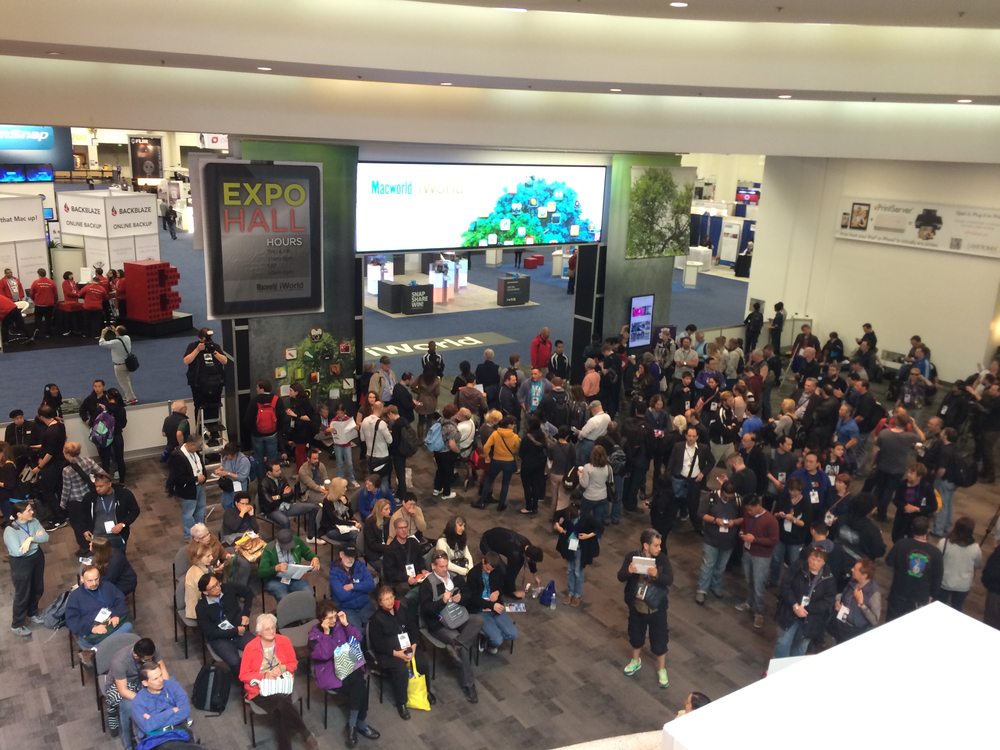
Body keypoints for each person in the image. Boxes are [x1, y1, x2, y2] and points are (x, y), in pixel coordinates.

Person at [240, 613, 320, 750]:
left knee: (282, 708)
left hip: (281, 684)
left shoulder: (284, 641)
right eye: (267, 629)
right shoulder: (250, 648)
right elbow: (243, 675)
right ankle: (305, 733)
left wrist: (282, 668)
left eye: (273, 627)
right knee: (282, 704)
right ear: (259, 632)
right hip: (260, 689)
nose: (272, 631)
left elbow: (293, 663)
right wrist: (265, 675)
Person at [309, 600, 379, 746]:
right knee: (360, 687)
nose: (334, 620)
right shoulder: (314, 635)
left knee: (358, 683)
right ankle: (360, 724)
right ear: (322, 619)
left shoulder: (341, 624)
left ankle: (353, 725)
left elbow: (358, 638)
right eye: (329, 618)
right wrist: (327, 634)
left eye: (335, 616)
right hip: (330, 671)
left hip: (348, 664)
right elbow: (324, 655)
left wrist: (346, 624)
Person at [419, 551, 484, 703]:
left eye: (446, 565)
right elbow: (426, 610)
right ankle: (469, 685)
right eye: (441, 566)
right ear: (434, 566)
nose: (445, 569)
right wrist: (442, 601)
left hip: (458, 616)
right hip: (439, 624)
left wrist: (461, 598)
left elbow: (469, 594)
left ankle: (458, 645)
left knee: (479, 620)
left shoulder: (455, 577)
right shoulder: (427, 585)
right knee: (462, 646)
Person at [369, 585, 435, 720]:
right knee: (401, 670)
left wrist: (415, 645)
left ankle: (426, 690)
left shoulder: (402, 610)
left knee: (422, 663)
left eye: (391, 597)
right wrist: (397, 653)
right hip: (390, 653)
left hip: (408, 647)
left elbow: (413, 628)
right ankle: (402, 703)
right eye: (386, 599)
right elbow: (378, 644)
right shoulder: (376, 619)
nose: (390, 601)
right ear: (380, 603)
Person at [619, 529, 673, 688]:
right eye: (656, 545)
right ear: (646, 545)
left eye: (660, 545)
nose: (659, 548)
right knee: (635, 634)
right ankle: (635, 660)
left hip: (657, 607)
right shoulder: (632, 557)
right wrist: (628, 571)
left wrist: (657, 575)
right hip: (637, 605)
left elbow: (669, 579)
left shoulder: (662, 559)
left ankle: (662, 669)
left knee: (659, 638)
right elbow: (620, 576)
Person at [772, 546, 836, 658]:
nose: (815, 563)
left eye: (819, 561)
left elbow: (828, 601)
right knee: (782, 643)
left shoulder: (828, 578)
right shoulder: (797, 567)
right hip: (789, 613)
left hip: (810, 619)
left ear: (823, 563)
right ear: (808, 558)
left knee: (801, 647)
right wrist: (795, 605)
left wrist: (806, 609)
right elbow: (785, 586)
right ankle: (777, 669)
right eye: (812, 559)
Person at [105, 638, 169, 749]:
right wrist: (147, 699)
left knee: (172, 680)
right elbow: (123, 691)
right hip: (121, 684)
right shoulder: (120, 662)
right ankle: (128, 743)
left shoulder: (152, 649)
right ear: (136, 656)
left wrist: (164, 688)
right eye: (146, 661)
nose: (150, 662)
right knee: (128, 706)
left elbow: (163, 671)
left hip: (142, 679)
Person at [132, 662, 209, 750]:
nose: (161, 680)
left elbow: (185, 711)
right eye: (155, 678)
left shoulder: (173, 686)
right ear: (145, 683)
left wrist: (154, 719)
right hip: (156, 737)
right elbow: (147, 727)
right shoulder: (138, 701)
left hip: (179, 730)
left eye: (160, 675)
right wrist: (172, 711)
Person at [885, 515, 943, 621]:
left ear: (912, 529)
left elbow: (889, 561)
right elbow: (938, 577)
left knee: (891, 624)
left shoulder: (901, 544)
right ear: (928, 531)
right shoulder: (936, 553)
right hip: (920, 597)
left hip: (899, 592)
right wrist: (931, 596)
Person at [195, 573, 254, 676]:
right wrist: (234, 631)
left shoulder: (228, 588)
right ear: (205, 592)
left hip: (238, 629)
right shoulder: (201, 608)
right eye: (212, 588)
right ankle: (246, 683)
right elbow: (210, 633)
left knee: (258, 647)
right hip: (220, 638)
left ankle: (260, 676)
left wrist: (246, 614)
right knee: (235, 661)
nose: (217, 588)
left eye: (217, 584)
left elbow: (248, 592)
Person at [5, 501, 49, 636]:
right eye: (28, 511)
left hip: (37, 558)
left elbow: (46, 537)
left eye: (31, 509)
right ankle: (17, 624)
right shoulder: (10, 530)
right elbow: (18, 552)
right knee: (23, 593)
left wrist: (29, 540)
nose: (32, 512)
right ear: (19, 514)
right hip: (21, 563)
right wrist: (36, 539)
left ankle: (32, 613)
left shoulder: (34, 521)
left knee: (37, 588)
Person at [695, 481, 743, 604]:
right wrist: (715, 520)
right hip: (711, 539)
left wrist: (735, 522)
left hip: (729, 542)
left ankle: (715, 586)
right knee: (707, 565)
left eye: (729, 497)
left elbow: (744, 517)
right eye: (725, 496)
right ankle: (702, 590)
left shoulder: (738, 500)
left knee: (721, 566)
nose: (727, 499)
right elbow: (701, 514)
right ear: (721, 491)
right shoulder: (710, 497)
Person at [869, 412, 923, 521]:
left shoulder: (884, 433)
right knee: (889, 492)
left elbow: (876, 449)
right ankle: (881, 513)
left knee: (878, 489)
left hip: (882, 466)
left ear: (896, 421)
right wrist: (914, 424)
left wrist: (873, 462)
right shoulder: (908, 436)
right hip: (898, 469)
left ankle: (872, 508)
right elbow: (922, 437)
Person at [66, 563, 133, 650]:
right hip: (91, 632)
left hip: (110, 624)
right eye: (90, 581)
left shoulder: (107, 586)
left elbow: (119, 600)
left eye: (96, 579)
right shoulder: (75, 597)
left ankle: (99, 648)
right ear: (82, 579)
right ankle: (106, 647)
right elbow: (72, 621)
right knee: (126, 632)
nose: (94, 583)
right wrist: (93, 628)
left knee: (128, 626)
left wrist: (116, 615)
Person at [735, 495, 778, 629]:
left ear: (758, 506)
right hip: (747, 553)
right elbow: (743, 526)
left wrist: (755, 540)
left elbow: (774, 541)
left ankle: (759, 612)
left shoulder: (771, 520)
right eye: (747, 510)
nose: (748, 513)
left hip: (762, 557)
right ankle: (749, 602)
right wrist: (742, 533)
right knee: (749, 581)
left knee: (759, 584)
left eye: (750, 510)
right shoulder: (748, 515)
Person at [466, 551, 520, 650]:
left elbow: (501, 585)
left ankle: (488, 637)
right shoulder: (473, 574)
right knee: (497, 640)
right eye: (487, 569)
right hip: (480, 609)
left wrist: (498, 592)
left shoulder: (497, 571)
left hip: (495, 607)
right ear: (483, 561)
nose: (489, 572)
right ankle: (489, 640)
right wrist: (490, 605)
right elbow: (472, 598)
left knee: (513, 634)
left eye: (491, 570)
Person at [81, 469, 140, 553]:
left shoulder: (124, 495)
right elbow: (83, 514)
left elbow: (135, 511)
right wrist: (85, 529)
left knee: (118, 558)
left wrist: (122, 524)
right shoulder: (90, 497)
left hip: (117, 536)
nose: (97, 489)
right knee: (100, 560)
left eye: (101, 486)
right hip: (97, 536)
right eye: (96, 486)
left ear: (109, 484)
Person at [666, 426, 713, 532]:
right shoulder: (678, 446)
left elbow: (711, 461)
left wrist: (703, 473)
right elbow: (671, 463)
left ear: (697, 437)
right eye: (689, 436)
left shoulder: (703, 448)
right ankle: (670, 524)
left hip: (694, 481)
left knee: (694, 505)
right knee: (675, 502)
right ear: (685, 436)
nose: (691, 438)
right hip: (679, 478)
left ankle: (698, 526)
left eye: (693, 436)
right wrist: (668, 478)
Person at [257, 460, 319, 537]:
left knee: (314, 507)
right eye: (277, 471)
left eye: (280, 469)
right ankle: (284, 543)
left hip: (286, 505)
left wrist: (278, 497)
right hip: (272, 510)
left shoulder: (282, 478)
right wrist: (282, 496)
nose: (280, 472)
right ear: (269, 472)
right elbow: (270, 503)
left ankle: (311, 537)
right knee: (285, 521)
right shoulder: (263, 484)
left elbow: (291, 494)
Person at [769, 476, 812, 586]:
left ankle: (791, 584)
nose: (791, 493)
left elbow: (805, 524)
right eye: (790, 489)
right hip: (781, 536)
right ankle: (773, 580)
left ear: (800, 490)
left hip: (796, 539)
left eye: (794, 491)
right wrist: (779, 515)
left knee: (794, 563)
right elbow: (774, 514)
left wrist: (793, 519)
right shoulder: (784, 498)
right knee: (776, 560)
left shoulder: (806, 504)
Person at [554, 506, 600, 607]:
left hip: (581, 548)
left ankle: (578, 594)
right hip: (569, 546)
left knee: (578, 571)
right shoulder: (567, 512)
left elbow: (599, 528)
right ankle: (570, 593)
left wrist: (588, 535)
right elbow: (556, 514)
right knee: (570, 570)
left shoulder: (586, 517)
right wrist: (558, 525)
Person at [479, 527, 543, 599]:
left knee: (514, 565)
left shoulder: (528, 545)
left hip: (493, 534)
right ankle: (503, 587)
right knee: (503, 570)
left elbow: (532, 561)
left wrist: (535, 577)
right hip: (486, 543)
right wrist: (513, 591)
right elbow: (511, 574)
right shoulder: (515, 554)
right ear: (527, 558)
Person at [258, 529, 320, 602]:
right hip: (277, 580)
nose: (288, 548)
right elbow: (261, 572)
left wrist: (315, 557)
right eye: (285, 546)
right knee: (285, 599)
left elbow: (307, 553)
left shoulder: (296, 540)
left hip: (296, 576)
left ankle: (304, 612)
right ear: (277, 542)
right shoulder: (269, 549)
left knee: (309, 594)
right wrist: (275, 568)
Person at [936, 516, 983, 612]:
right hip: (963, 585)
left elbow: (936, 560)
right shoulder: (975, 548)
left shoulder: (943, 543)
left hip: (944, 581)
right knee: (957, 609)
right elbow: (978, 565)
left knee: (938, 608)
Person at [828, 559, 881, 643]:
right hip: (841, 625)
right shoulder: (853, 581)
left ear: (864, 575)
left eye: (855, 569)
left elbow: (874, 620)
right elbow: (843, 596)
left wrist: (861, 604)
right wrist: (838, 601)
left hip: (854, 632)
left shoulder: (873, 594)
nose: (852, 569)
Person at [474, 415, 520, 510]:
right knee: (505, 483)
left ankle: (482, 502)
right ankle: (501, 504)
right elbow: (516, 448)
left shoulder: (495, 434)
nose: (514, 426)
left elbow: (486, 447)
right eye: (513, 424)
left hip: (496, 461)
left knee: (489, 480)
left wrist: (487, 456)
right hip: (509, 462)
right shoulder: (515, 437)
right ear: (509, 425)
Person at [182, 328, 228, 422]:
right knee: (199, 406)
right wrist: (197, 350)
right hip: (198, 384)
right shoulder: (193, 346)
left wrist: (214, 352)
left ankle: (215, 429)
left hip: (215, 383)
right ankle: (200, 430)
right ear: (200, 338)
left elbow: (224, 360)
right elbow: (186, 361)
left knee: (215, 406)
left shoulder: (214, 346)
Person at [166, 435, 206, 540]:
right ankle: (190, 535)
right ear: (191, 444)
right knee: (188, 513)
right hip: (188, 489)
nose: (199, 449)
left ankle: (200, 532)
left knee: (200, 509)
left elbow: (200, 465)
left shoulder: (194, 452)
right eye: (198, 446)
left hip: (199, 486)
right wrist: (196, 479)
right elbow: (178, 478)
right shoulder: (178, 457)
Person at [329, 545, 376, 630]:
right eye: (347, 556)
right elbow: (342, 595)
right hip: (346, 609)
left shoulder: (360, 566)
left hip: (365, 605)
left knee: (376, 628)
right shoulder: (334, 572)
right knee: (357, 633)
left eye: (352, 556)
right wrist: (362, 590)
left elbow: (371, 584)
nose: (350, 559)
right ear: (341, 555)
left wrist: (353, 586)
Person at [890, 463, 937, 542]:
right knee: (896, 538)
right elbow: (896, 499)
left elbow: (933, 506)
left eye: (912, 473)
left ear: (919, 476)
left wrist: (918, 509)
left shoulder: (927, 487)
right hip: (902, 518)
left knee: (912, 541)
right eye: (908, 472)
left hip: (916, 520)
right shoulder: (903, 484)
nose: (908, 475)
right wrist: (904, 506)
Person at [382, 517, 429, 597]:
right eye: (401, 528)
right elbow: (391, 573)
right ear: (396, 530)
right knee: (407, 590)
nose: (404, 530)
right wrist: (406, 578)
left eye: (405, 527)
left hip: (416, 575)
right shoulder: (390, 549)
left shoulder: (413, 543)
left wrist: (423, 569)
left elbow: (420, 559)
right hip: (400, 580)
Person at [245, 380, 284, 471]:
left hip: (257, 435)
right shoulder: (277, 400)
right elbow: (282, 418)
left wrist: (253, 430)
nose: (256, 389)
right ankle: (272, 479)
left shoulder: (255, 401)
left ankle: (262, 481)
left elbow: (247, 419)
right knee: (272, 458)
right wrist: (277, 429)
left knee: (259, 458)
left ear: (262, 389)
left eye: (257, 387)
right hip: (272, 434)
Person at [99, 326, 138, 404]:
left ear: (118, 333)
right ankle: (128, 396)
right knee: (126, 380)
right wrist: (115, 332)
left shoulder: (115, 342)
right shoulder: (127, 338)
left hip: (119, 365)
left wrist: (103, 334)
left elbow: (102, 343)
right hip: (126, 364)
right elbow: (120, 338)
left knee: (124, 382)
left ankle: (131, 398)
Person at [518, 417, 548, 515]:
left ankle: (529, 507)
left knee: (527, 486)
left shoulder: (527, 438)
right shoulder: (542, 436)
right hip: (539, 465)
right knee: (536, 485)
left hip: (527, 465)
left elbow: (521, 453)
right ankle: (535, 507)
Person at [579, 444, 612, 527]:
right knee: (597, 522)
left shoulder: (587, 467)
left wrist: (580, 475)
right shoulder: (608, 467)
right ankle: (597, 538)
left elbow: (584, 484)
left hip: (589, 497)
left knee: (583, 519)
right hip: (602, 497)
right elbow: (610, 481)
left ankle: (582, 536)